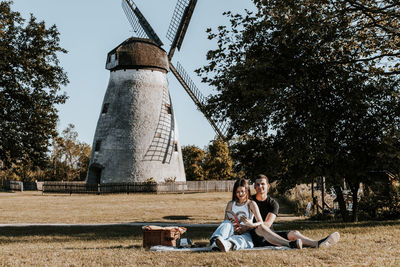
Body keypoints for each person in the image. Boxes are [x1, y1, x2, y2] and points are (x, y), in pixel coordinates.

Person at [236, 174, 340, 248]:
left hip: (270, 235)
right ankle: (290, 244)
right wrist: (244, 227)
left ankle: (317, 244)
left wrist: (249, 225)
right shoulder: (249, 201)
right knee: (261, 228)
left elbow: (267, 224)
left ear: (268, 186)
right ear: (254, 187)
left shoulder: (273, 203)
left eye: (262, 184)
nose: (260, 187)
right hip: (255, 235)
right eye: (257, 184)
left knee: (294, 233)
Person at [209, 178, 302, 252]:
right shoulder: (230, 204)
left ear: (247, 191)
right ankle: (216, 241)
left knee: (242, 240)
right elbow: (226, 220)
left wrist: (251, 225)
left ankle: (226, 245)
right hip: (231, 230)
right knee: (226, 224)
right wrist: (233, 226)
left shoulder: (251, 204)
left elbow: (260, 222)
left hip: (246, 232)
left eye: (243, 191)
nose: (240, 194)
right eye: (238, 192)